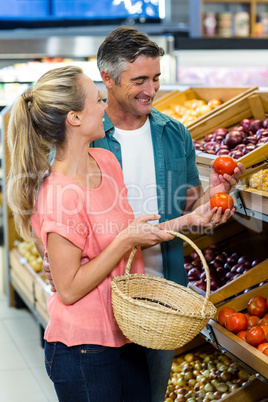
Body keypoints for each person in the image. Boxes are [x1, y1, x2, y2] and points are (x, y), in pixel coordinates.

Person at [42, 27, 245, 402]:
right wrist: (52, 258)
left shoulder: (175, 134)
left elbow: (190, 212)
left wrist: (217, 194)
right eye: (139, 80)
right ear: (108, 79)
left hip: (162, 298)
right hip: (102, 304)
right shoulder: (89, 139)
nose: (150, 90)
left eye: (155, 79)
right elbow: (56, 214)